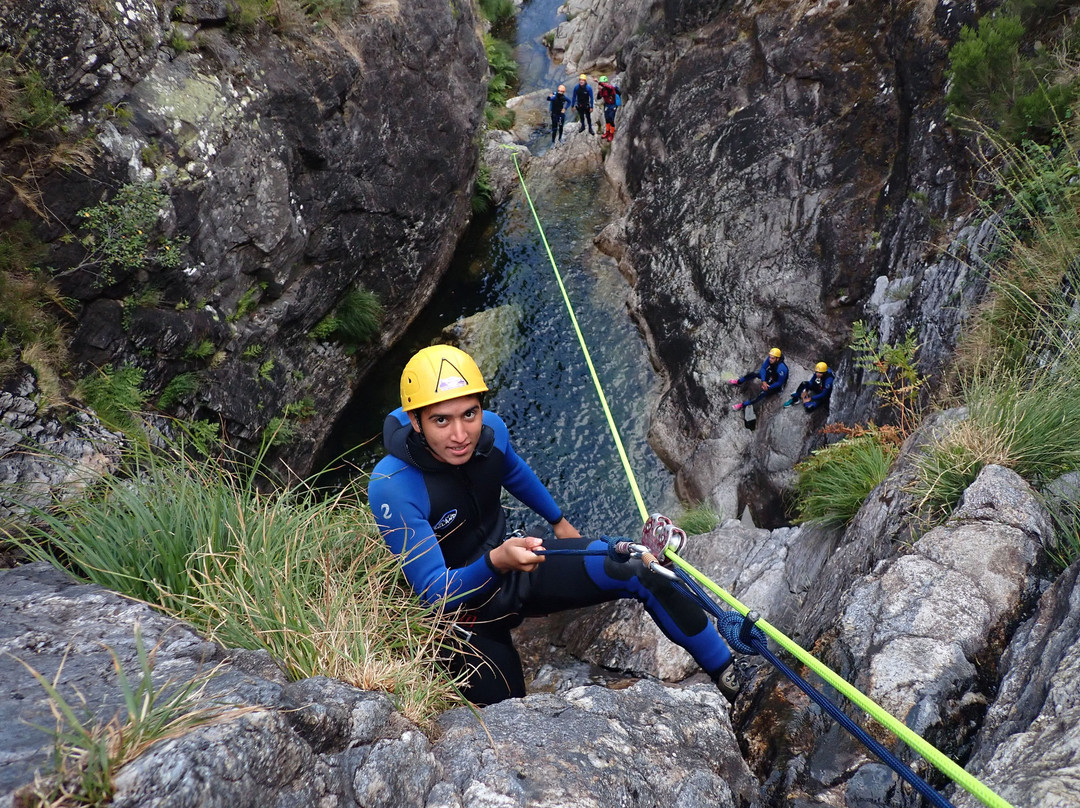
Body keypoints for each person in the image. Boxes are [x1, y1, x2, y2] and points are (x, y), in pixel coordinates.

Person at [369, 344, 739, 706]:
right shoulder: (394, 486)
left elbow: (512, 470)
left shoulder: (490, 432)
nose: (460, 435)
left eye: (470, 413)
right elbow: (434, 591)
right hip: (464, 617)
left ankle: (729, 674)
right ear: (415, 421)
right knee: (508, 712)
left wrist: (558, 520)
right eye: (441, 420)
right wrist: (496, 561)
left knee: (640, 567)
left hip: (514, 568)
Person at [729, 347, 789, 411]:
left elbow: (780, 383)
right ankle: (739, 382)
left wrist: (768, 387)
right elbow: (763, 368)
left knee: (762, 394)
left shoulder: (782, 369)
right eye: (770, 357)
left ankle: (742, 405)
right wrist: (763, 381)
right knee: (755, 373)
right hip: (771, 374)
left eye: (772, 358)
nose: (770, 359)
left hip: (775, 382)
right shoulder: (771, 359)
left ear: (777, 359)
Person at [596, 75, 621, 141]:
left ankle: (611, 134)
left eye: (604, 83)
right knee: (607, 119)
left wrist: (599, 82)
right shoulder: (602, 90)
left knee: (611, 120)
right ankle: (607, 132)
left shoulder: (611, 88)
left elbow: (609, 88)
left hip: (612, 106)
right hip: (607, 105)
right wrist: (599, 90)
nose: (603, 84)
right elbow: (598, 97)